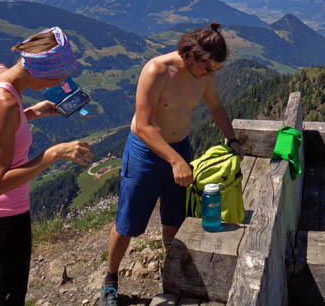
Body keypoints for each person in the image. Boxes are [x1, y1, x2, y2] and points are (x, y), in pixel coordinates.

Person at [100, 22, 243, 306]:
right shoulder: (156, 70)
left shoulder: (204, 73)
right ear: (190, 55)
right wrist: (177, 160)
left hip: (180, 147)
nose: (210, 73)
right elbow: (143, 126)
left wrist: (232, 139)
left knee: (175, 217)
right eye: (207, 67)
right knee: (128, 221)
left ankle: (173, 267)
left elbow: (215, 107)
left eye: (214, 68)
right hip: (145, 151)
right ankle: (110, 279)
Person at [0, 27, 93, 306]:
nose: (57, 84)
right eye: (58, 78)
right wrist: (53, 154)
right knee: (10, 297)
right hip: (2, 214)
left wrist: (31, 113)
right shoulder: (6, 103)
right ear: (42, 74)